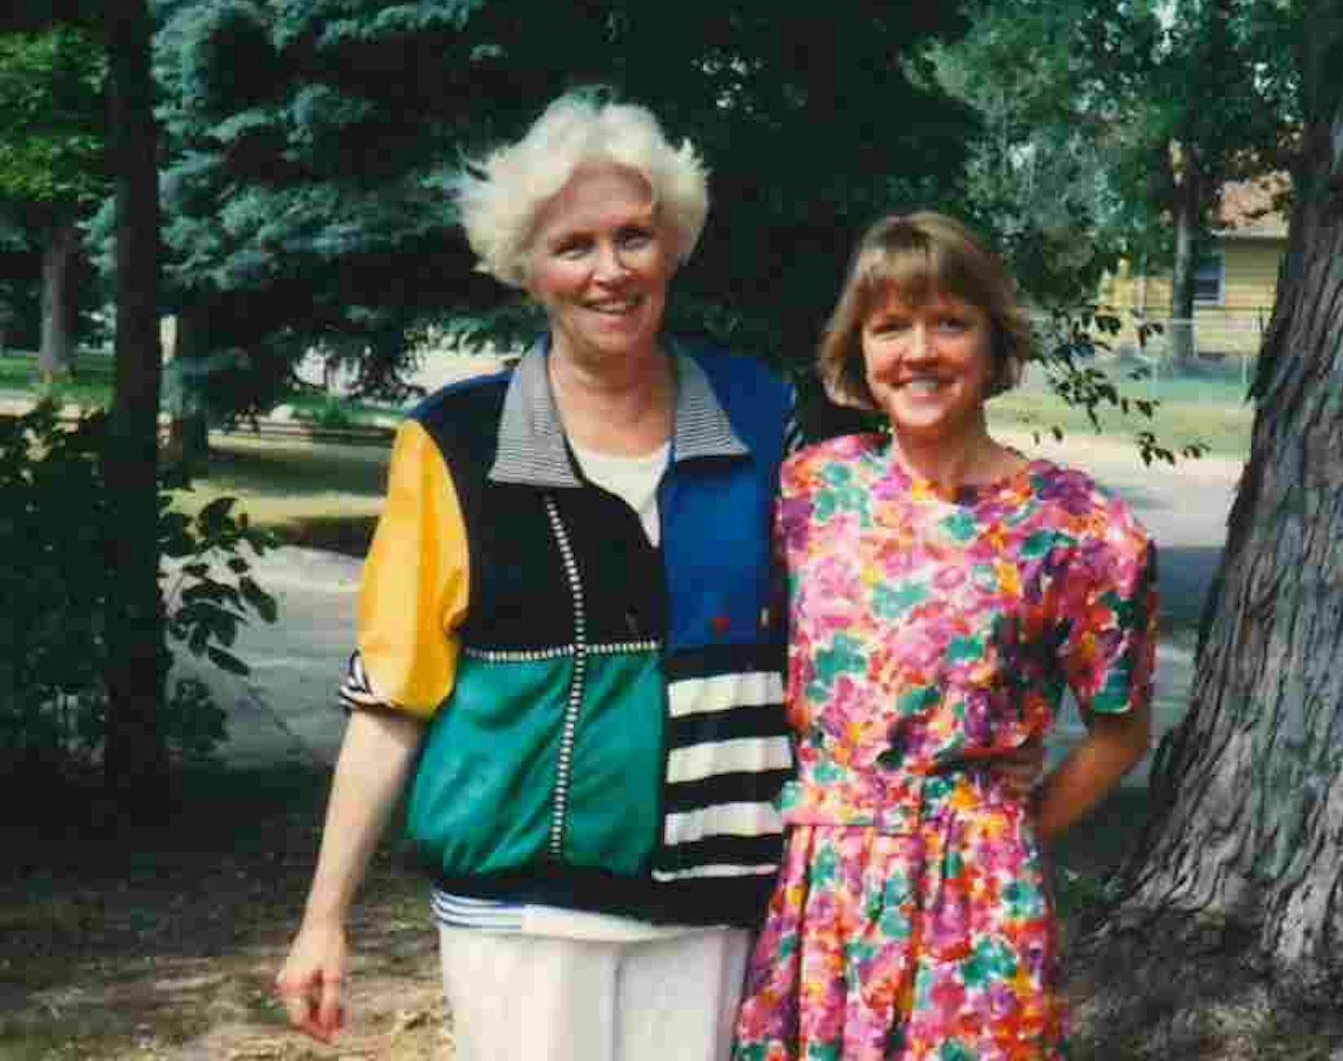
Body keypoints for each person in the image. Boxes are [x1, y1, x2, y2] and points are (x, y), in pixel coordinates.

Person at [274, 93, 798, 1061]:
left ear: (673, 246)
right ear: (527, 270)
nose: (610, 270)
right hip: (522, 901)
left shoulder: (762, 414)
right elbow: (391, 693)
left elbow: (844, 635)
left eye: (635, 236)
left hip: (716, 884)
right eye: (574, 245)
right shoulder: (457, 440)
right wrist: (323, 917)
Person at [732, 211, 1156, 1060]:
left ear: (993, 342)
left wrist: (1007, 828)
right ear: (860, 351)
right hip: (826, 892)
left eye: (949, 322)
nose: (918, 351)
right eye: (891, 327)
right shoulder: (811, 491)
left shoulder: (1076, 526)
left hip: (978, 903)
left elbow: (1120, 733)